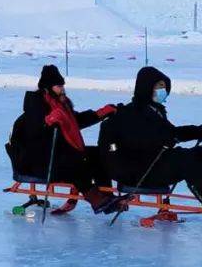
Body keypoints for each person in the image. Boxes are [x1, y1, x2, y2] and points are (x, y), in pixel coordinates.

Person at [98, 66, 202, 218]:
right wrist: (170, 138)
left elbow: (170, 132)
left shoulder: (154, 110)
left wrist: (196, 131)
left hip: (153, 163)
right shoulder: (133, 113)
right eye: (159, 86)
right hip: (138, 172)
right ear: (147, 87)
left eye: (164, 86)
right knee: (186, 160)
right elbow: (149, 140)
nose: (163, 90)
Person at [6, 65, 121, 213]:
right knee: (75, 162)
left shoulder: (60, 103)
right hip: (37, 161)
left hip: (58, 154)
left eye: (62, 85)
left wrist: (100, 114)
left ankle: (107, 196)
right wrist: (47, 122)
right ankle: (97, 200)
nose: (62, 89)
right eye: (58, 86)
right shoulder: (35, 105)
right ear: (47, 88)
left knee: (97, 154)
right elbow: (34, 132)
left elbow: (74, 121)